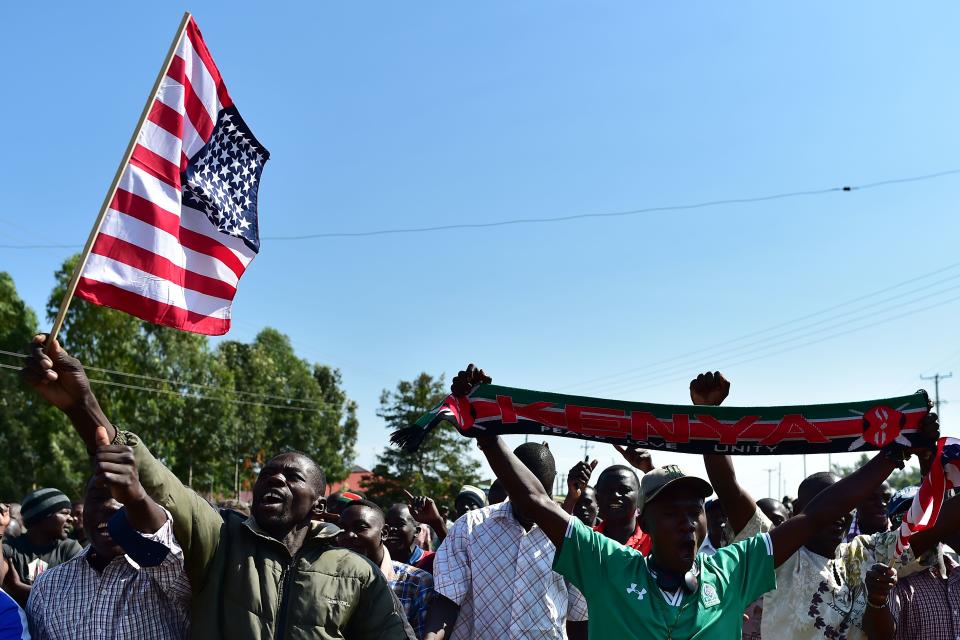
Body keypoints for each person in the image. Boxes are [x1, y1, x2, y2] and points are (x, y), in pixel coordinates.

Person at [452, 364, 940, 638]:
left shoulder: (733, 571)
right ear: (645, 519)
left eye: (693, 512)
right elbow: (538, 501)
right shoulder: (608, 566)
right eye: (671, 512)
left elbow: (815, 515)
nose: (687, 522)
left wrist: (891, 455)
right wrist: (486, 434)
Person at [21, 335, 413, 640]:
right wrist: (82, 404)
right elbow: (160, 484)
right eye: (267, 475)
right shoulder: (222, 540)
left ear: (319, 506)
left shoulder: (353, 570)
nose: (274, 478)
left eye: (292, 477)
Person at [696, 370, 946, 640]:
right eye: (828, 504)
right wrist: (710, 417)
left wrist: (927, 458)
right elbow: (728, 487)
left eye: (845, 504)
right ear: (799, 512)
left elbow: (930, 529)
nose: (837, 514)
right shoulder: (779, 551)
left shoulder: (864, 554)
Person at [27, 427, 191, 639]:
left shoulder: (174, 575)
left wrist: (138, 497)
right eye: (99, 496)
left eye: (125, 498)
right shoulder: (47, 588)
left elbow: (169, 556)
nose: (113, 506)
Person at [423, 440, 588, 640]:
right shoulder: (469, 527)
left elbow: (579, 618)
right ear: (507, 483)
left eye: (542, 496)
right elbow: (447, 600)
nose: (533, 506)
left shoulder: (572, 537)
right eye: (525, 496)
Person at [860, 486, 960, 640]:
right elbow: (879, 635)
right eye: (903, 519)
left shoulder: (957, 572)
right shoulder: (892, 580)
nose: (914, 526)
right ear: (892, 528)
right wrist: (877, 599)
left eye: (924, 515)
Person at [338, 500, 434, 639]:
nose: (349, 536)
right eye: (343, 529)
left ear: (384, 533)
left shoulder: (416, 582)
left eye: (360, 528)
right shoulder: (327, 576)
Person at [2, 488, 82, 605]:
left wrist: (18, 587)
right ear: (42, 516)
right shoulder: (10, 549)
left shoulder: (69, 549)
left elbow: (74, 594)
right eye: (65, 513)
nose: (70, 518)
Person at [385, 503, 436, 573]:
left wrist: (437, 521)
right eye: (387, 523)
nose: (391, 528)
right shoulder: (379, 561)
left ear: (417, 531)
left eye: (399, 523)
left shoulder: (431, 561)